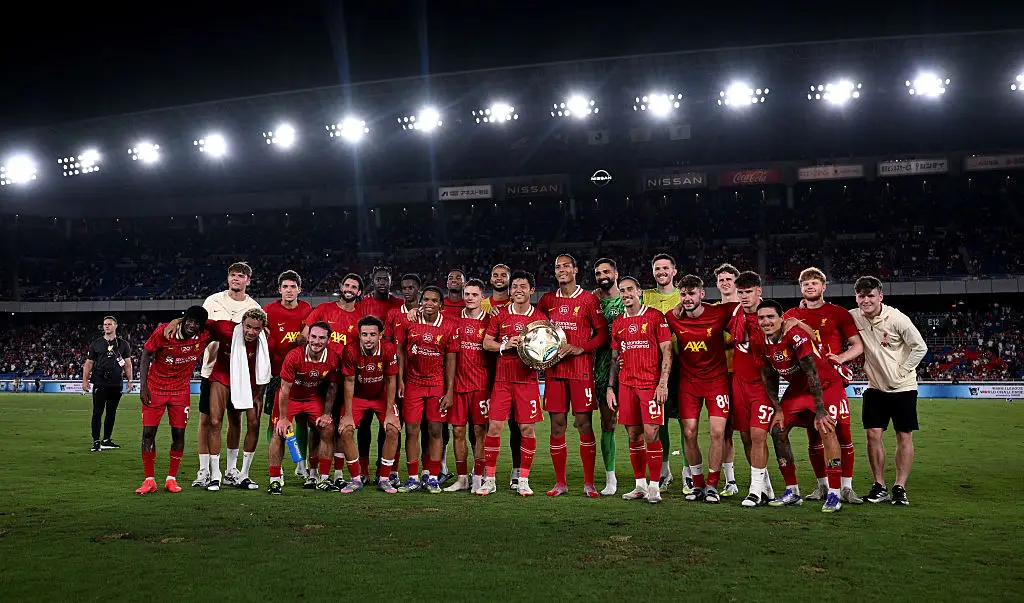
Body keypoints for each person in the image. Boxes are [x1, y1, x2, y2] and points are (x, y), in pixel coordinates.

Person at [757, 299, 847, 513]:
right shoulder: (760, 340)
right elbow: (768, 376)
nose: (766, 321)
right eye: (761, 317)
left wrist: (820, 410)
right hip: (798, 388)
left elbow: (812, 372)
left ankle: (834, 493)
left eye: (771, 316)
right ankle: (792, 491)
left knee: (826, 427)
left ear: (782, 318)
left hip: (824, 385)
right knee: (777, 429)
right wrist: (778, 409)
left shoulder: (796, 336)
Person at [784, 267, 865, 504]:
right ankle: (823, 486)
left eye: (814, 283)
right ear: (801, 288)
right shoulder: (790, 315)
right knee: (814, 435)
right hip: (806, 384)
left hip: (831, 383)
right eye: (806, 284)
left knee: (843, 433)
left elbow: (857, 345)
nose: (810, 287)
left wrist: (841, 358)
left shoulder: (838, 313)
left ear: (823, 287)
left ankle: (846, 487)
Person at [171, 308, 270, 491]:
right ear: (242, 323)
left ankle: (243, 474)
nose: (250, 332)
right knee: (214, 421)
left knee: (254, 423)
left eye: (256, 329)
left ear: (262, 329)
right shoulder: (225, 329)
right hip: (222, 377)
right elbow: (198, 321)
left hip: (249, 382)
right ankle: (215, 474)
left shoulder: (264, 342)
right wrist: (177, 321)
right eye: (247, 326)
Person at [850, 276, 928, 506]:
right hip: (875, 388)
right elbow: (832, 316)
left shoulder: (897, 319)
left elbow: (920, 347)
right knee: (872, 434)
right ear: (857, 297)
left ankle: (899, 486)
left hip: (903, 388)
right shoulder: (853, 316)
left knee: (903, 435)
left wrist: (902, 371)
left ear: (880, 296)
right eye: (861, 296)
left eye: (870, 296)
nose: (866, 301)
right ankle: (879, 485)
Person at [537, 254, 608, 498]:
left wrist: (581, 348)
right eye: (558, 267)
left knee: (584, 424)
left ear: (576, 269)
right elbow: (536, 331)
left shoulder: (588, 300)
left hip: (581, 371)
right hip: (555, 372)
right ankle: (560, 483)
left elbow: (602, 335)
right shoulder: (547, 300)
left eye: (566, 266)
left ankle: (589, 484)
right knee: (557, 426)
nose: (562, 270)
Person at [665, 275, 738, 503]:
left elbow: (747, 305)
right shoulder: (672, 318)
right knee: (689, 433)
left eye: (692, 293)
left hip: (717, 382)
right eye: (683, 294)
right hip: (689, 384)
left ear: (702, 294)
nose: (687, 298)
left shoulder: (720, 313)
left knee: (718, 433)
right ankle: (697, 484)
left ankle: (713, 485)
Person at [192, 262, 262, 488]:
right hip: (212, 368)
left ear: (248, 281)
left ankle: (231, 470)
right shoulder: (213, 301)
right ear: (228, 278)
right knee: (207, 420)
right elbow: (199, 329)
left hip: (240, 374)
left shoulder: (254, 307)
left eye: (241, 276)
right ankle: (204, 470)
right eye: (232, 275)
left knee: (236, 419)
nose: (236, 279)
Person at [480, 270, 546, 496]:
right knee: (495, 427)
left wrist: (537, 358)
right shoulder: (499, 316)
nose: (518, 290)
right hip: (502, 381)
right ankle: (489, 479)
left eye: (522, 286)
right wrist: (505, 345)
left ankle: (524, 479)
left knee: (527, 429)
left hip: (527, 381)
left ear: (531, 290)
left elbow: (548, 350)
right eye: (514, 286)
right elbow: (486, 342)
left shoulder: (540, 318)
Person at [606, 276, 672, 504]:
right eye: (622, 291)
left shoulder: (655, 316)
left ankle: (655, 486)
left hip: (650, 386)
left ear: (639, 291)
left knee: (652, 433)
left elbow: (667, 351)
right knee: (633, 435)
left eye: (630, 290)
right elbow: (615, 358)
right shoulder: (618, 323)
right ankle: (639, 485)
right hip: (626, 386)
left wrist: (662, 383)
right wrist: (610, 387)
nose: (626, 294)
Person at [136, 306, 212, 494]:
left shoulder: (205, 335)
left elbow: (226, 328)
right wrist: (143, 385)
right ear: (184, 319)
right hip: (155, 388)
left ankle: (171, 479)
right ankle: (149, 480)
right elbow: (146, 353)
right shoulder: (164, 331)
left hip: (180, 392)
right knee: (148, 433)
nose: (192, 325)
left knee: (178, 435)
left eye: (197, 323)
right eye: (190, 320)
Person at [395, 286, 459, 493]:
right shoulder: (409, 322)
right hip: (413, 384)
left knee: (435, 430)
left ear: (441, 304)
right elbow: (401, 353)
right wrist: (401, 380)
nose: (429, 304)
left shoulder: (449, 326)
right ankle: (413, 477)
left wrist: (449, 392)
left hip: (436, 385)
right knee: (412, 430)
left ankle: (432, 476)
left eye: (434, 300)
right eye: (426, 300)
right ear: (421, 301)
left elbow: (451, 362)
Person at [303, 273, 364, 483]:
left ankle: (337, 473)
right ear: (341, 286)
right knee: (316, 426)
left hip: (346, 380)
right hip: (320, 379)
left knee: (341, 426)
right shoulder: (323, 309)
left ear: (359, 292)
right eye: (346, 285)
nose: (349, 289)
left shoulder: (360, 318)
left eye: (353, 287)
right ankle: (312, 471)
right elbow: (305, 334)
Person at [268, 321, 340, 494]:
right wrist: (284, 418)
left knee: (327, 428)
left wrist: (327, 413)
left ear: (328, 340)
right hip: (289, 397)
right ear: (308, 337)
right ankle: (275, 480)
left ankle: (323, 478)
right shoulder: (294, 356)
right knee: (280, 431)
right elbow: (284, 389)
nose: (316, 341)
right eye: (313, 337)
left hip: (311, 397)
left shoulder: (332, 358)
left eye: (321, 338)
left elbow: (332, 387)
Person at [726, 272, 779, 506]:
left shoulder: (768, 318)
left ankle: (754, 491)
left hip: (762, 385)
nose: (744, 296)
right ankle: (765, 487)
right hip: (739, 384)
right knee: (746, 436)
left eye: (748, 291)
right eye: (741, 292)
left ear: (759, 291)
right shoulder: (735, 313)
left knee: (758, 435)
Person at [642, 253, 691, 492]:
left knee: (685, 421)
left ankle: (688, 472)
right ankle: (664, 471)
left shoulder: (683, 296)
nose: (661, 272)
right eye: (657, 268)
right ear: (653, 272)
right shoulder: (645, 296)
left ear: (674, 271)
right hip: (652, 366)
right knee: (658, 421)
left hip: (682, 365)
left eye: (665, 268)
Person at [338, 316, 403, 493]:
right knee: (345, 430)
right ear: (359, 335)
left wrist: (390, 411)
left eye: (372, 334)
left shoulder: (388, 349)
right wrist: (349, 414)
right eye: (364, 334)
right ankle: (355, 479)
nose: (368, 338)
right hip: (358, 395)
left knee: (393, 429)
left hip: (380, 395)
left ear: (380, 335)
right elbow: (349, 382)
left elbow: (391, 380)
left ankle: (384, 478)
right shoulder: (350, 350)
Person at [263, 270, 313, 479]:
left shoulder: (307, 309)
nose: (289, 290)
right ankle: (278, 463)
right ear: (279, 290)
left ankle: (300, 462)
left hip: (301, 374)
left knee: (301, 420)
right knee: (275, 421)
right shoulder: (269, 310)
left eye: (293, 287)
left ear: (299, 290)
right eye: (285, 287)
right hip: (276, 373)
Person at [446, 279, 494, 493]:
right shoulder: (454, 321)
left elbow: (495, 359)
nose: (470, 298)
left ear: (482, 297)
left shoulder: (491, 322)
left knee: (479, 431)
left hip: (481, 386)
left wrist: (494, 389)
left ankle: (478, 477)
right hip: (458, 386)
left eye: (474, 294)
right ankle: (462, 478)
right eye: (467, 294)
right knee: (457, 431)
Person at [480, 263, 523, 491]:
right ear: (490, 279)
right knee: (483, 425)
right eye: (495, 274)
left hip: (510, 372)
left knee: (516, 425)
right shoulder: (483, 304)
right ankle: (484, 470)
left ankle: (517, 471)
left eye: (503, 275)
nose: (499, 278)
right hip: (484, 371)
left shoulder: (515, 304)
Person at [592, 258, 625, 495]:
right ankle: (610, 478)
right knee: (608, 423)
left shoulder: (631, 296)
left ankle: (652, 476)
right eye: (598, 272)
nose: (602, 275)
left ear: (616, 273)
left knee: (641, 427)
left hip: (633, 367)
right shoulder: (592, 301)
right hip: (603, 369)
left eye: (606, 271)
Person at [83, 315, 133, 452]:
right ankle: (96, 441)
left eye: (109, 324)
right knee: (97, 412)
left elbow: (127, 364)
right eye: (105, 324)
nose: (106, 326)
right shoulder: (96, 344)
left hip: (116, 383)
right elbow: (88, 364)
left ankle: (107, 440)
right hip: (100, 382)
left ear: (116, 326)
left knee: (111, 412)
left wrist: (130, 380)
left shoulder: (123, 344)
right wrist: (85, 380)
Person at [714, 263, 741, 497]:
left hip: (745, 376)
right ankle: (730, 481)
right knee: (724, 431)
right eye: (721, 279)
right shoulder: (712, 310)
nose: (725, 282)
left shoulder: (748, 308)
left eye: (728, 279)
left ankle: (760, 481)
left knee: (752, 431)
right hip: (720, 377)